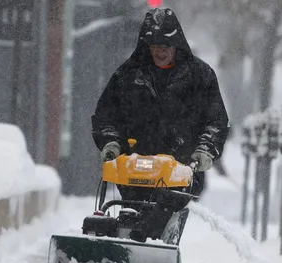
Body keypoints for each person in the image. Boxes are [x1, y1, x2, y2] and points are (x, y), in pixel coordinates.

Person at [91, 7, 230, 202]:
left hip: (181, 176)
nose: (160, 50)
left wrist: (205, 150)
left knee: (161, 222)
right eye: (154, 44)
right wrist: (111, 142)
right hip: (134, 175)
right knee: (131, 222)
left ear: (177, 44)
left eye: (166, 44)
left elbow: (216, 120)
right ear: (146, 45)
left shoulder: (200, 77)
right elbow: (106, 115)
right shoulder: (127, 76)